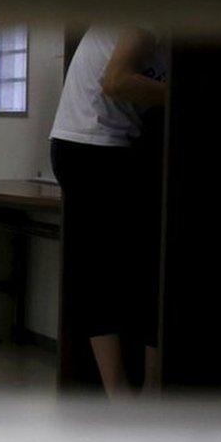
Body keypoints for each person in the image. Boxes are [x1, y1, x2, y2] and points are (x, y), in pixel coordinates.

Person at [49, 26, 167, 398]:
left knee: (111, 270)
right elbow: (115, 82)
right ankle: (132, 392)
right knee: (122, 270)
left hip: (91, 143)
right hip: (93, 146)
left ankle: (131, 392)